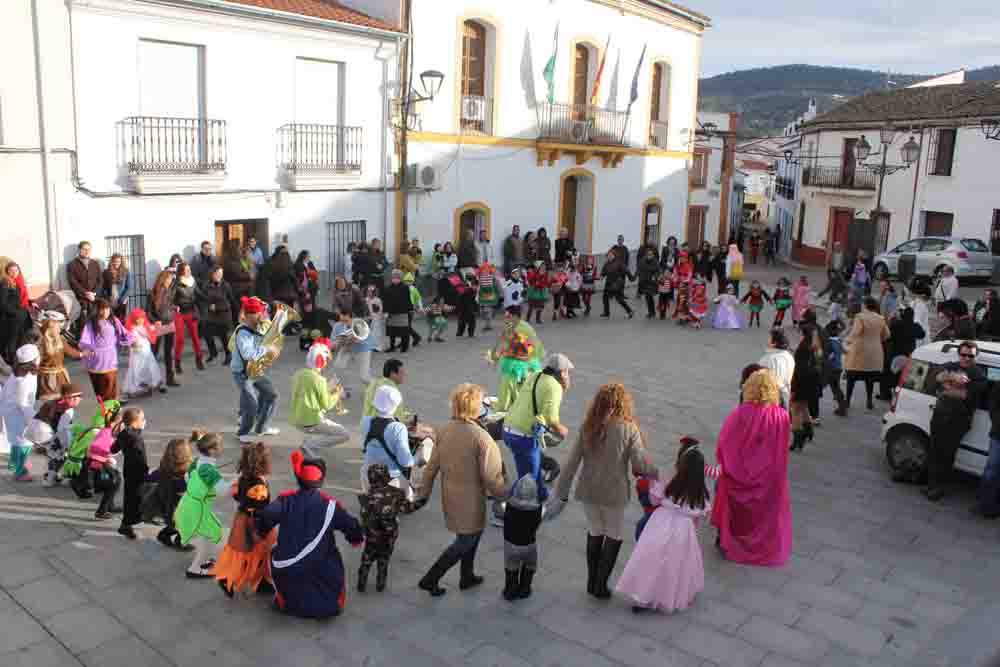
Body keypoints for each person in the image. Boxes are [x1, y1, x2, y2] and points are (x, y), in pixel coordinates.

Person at [552, 382, 657, 599]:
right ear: (624, 404)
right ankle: (601, 585)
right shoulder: (629, 428)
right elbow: (639, 464)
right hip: (614, 493)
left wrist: (561, 492)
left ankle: (591, 582)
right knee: (614, 534)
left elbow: (571, 462)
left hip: (588, 490)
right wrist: (655, 472)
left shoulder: (588, 426)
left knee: (595, 530)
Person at [416, 383, 506, 597]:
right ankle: (431, 579)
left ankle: (467, 575)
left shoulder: (444, 430)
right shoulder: (482, 438)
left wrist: (423, 494)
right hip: (471, 499)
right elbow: (492, 476)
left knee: (470, 535)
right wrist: (505, 496)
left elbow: (431, 467)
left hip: (451, 495)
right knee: (466, 539)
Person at [256, 450, 363, 618]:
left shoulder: (285, 500)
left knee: (278, 555)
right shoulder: (331, 506)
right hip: (322, 573)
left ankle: (286, 601)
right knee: (331, 560)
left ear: (298, 479)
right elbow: (352, 527)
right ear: (321, 480)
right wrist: (356, 539)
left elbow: (265, 517)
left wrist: (262, 532)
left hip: (287, 568)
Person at [616, 439, 711, 614]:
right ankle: (668, 595)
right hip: (684, 530)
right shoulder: (700, 492)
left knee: (651, 560)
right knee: (676, 564)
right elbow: (699, 516)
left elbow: (653, 500)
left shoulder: (668, 479)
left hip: (660, 522)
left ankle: (643, 597)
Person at [712, 369, 792, 566]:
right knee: (763, 515)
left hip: (739, 474)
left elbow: (725, 442)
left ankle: (729, 540)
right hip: (769, 477)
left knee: (733, 508)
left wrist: (727, 464)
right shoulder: (782, 416)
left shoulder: (740, 413)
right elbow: (782, 449)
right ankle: (761, 544)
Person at [502, 353, 572, 503]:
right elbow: (551, 418)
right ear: (562, 372)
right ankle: (504, 505)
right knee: (528, 479)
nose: (568, 375)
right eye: (567, 371)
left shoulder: (535, 375)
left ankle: (542, 496)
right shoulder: (554, 386)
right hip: (523, 436)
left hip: (509, 428)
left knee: (533, 468)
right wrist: (562, 430)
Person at [211, 441, 277, 597]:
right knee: (255, 552)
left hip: (242, 519)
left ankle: (260, 581)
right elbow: (259, 509)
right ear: (263, 463)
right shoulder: (259, 486)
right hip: (254, 524)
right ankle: (231, 579)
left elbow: (237, 495)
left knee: (245, 553)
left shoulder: (244, 477)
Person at [923, 341, 987, 501]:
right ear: (959, 354)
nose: (966, 358)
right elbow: (936, 377)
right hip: (940, 415)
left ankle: (938, 487)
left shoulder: (978, 374)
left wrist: (946, 386)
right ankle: (931, 484)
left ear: (975, 356)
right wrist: (954, 379)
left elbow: (965, 395)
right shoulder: (950, 365)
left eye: (970, 355)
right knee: (934, 450)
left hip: (958, 420)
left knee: (947, 453)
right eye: (963, 354)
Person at [357, 463, 421, 593]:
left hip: (372, 535)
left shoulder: (366, 496)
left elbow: (364, 516)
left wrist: (364, 530)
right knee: (384, 559)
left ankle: (361, 584)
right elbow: (407, 509)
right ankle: (380, 585)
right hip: (389, 534)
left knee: (366, 560)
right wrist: (421, 501)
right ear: (386, 477)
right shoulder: (397, 493)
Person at [175, 430, 228, 578]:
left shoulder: (198, 461)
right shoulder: (209, 470)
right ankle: (195, 568)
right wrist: (236, 483)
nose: (222, 448)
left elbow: (187, 478)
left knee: (210, 532)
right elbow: (223, 491)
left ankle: (203, 560)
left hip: (189, 503)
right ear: (212, 450)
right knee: (210, 534)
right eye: (220, 446)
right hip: (197, 508)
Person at [231, 297, 280, 443]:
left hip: (255, 370)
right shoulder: (242, 332)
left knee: (272, 395)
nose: (261, 316)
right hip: (242, 373)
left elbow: (264, 342)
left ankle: (262, 428)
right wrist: (267, 349)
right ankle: (242, 433)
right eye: (258, 313)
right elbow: (248, 354)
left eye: (261, 313)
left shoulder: (257, 327)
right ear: (249, 315)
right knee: (252, 404)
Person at [290, 338, 349, 457]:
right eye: (325, 359)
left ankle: (310, 443)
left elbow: (309, 391)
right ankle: (310, 445)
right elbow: (327, 405)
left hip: (297, 418)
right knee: (344, 435)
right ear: (320, 360)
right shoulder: (319, 380)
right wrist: (338, 394)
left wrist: (328, 387)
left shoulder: (298, 374)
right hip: (311, 420)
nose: (326, 363)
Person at [360, 384, 413, 491]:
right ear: (395, 405)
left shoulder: (365, 421)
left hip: (368, 476)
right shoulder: (398, 428)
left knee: (370, 498)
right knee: (409, 495)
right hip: (391, 479)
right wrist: (417, 459)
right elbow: (406, 462)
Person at [79, 299, 134, 401]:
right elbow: (85, 341)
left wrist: (131, 339)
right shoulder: (91, 323)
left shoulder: (114, 320)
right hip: (96, 361)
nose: (105, 312)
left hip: (111, 359)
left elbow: (124, 333)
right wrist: (87, 351)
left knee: (112, 387)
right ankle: (105, 408)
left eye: (107, 309)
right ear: (96, 310)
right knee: (101, 391)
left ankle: (113, 406)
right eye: (102, 309)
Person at [843, 297, 890, 413]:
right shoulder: (880, 318)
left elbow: (855, 332)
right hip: (875, 353)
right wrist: (876, 340)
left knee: (851, 377)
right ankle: (869, 401)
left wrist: (847, 341)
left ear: (865, 305)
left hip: (860, 352)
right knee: (870, 379)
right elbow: (887, 335)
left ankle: (847, 400)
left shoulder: (860, 317)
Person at [1, 345, 40, 481]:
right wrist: (33, 420)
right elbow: (23, 404)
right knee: (24, 444)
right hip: (17, 413)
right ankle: (20, 472)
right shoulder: (23, 380)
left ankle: (13, 463)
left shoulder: (19, 373)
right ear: (34, 361)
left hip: (11, 411)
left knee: (15, 440)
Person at [33, 382, 83, 486]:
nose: (79, 400)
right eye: (78, 397)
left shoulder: (54, 402)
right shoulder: (68, 411)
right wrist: (69, 445)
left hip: (39, 434)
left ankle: (50, 478)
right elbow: (62, 431)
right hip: (52, 436)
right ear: (70, 398)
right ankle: (50, 479)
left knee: (53, 457)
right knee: (61, 457)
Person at [502, 475, 542, 601]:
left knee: (511, 567)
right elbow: (552, 511)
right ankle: (525, 589)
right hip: (529, 545)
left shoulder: (508, 506)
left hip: (511, 545)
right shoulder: (538, 509)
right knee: (530, 566)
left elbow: (497, 509)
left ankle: (510, 591)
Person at [111, 407, 147, 539]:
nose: (144, 421)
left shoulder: (124, 433)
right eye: (142, 419)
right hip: (137, 472)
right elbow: (140, 456)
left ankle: (127, 523)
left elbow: (113, 449)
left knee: (130, 496)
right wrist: (146, 472)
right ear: (135, 422)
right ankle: (127, 524)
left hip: (128, 470)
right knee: (135, 498)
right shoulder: (135, 438)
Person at [879, 306, 925, 401]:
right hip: (908, 355)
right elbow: (922, 335)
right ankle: (903, 395)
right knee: (905, 375)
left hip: (895, 353)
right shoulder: (915, 326)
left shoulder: (896, 324)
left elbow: (888, 336)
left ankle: (885, 395)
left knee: (887, 374)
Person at [87, 409, 123, 520]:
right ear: (115, 423)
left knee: (114, 482)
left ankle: (110, 506)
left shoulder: (106, 431)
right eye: (121, 424)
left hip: (99, 465)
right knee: (113, 483)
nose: (122, 427)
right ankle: (101, 511)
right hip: (99, 467)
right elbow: (95, 448)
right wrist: (106, 459)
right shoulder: (107, 434)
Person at [972, 383, 1000, 518]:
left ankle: (993, 504)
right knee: (991, 469)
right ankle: (983, 504)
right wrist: (998, 421)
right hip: (999, 435)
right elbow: (993, 403)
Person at [37, 315, 81, 401]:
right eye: (57, 328)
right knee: (52, 400)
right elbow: (36, 360)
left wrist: (82, 354)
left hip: (56, 376)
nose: (59, 330)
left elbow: (70, 351)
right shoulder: (42, 342)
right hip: (49, 378)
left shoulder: (59, 340)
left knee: (60, 399)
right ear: (50, 330)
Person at [789, 329, 821, 452]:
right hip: (812, 381)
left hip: (801, 381)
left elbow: (799, 369)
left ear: (803, 335)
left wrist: (793, 386)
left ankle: (798, 438)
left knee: (795, 409)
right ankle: (808, 431)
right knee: (803, 406)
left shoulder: (803, 348)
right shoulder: (813, 347)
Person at [147, 270, 179, 387]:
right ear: (163, 279)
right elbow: (148, 312)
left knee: (169, 352)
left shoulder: (169, 291)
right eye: (168, 279)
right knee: (154, 352)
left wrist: (174, 307)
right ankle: (153, 380)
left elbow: (168, 305)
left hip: (169, 322)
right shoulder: (153, 293)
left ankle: (170, 378)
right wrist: (155, 321)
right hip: (158, 325)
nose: (170, 281)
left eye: (171, 279)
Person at [123, 308, 164, 397]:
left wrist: (155, 327)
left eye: (142, 318)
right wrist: (133, 344)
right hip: (137, 352)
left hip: (146, 351)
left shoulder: (145, 325)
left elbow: (151, 331)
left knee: (150, 366)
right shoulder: (131, 328)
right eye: (138, 319)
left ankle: (153, 382)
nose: (141, 320)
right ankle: (136, 388)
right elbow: (129, 339)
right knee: (137, 368)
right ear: (134, 319)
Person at [332, 310, 375, 392]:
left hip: (362, 350)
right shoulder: (337, 326)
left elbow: (370, 341)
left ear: (351, 318)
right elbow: (333, 342)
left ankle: (376, 387)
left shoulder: (359, 324)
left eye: (346, 321)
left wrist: (358, 340)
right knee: (338, 366)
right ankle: (341, 388)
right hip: (346, 348)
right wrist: (338, 343)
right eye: (342, 321)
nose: (344, 323)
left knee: (364, 377)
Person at [172, 262, 205, 372]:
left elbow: (199, 294)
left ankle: (199, 360)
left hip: (191, 311)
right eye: (186, 270)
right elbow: (170, 298)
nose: (189, 271)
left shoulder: (192, 281)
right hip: (180, 313)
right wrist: (174, 306)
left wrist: (209, 298)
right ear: (181, 271)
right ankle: (177, 362)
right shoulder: (176, 283)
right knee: (180, 339)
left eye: (189, 269)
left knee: (195, 337)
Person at [66, 241, 102, 338]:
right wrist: (85, 293)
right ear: (79, 250)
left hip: (94, 299)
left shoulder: (95, 263)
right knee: (83, 325)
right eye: (84, 249)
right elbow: (73, 282)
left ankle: (95, 342)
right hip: (80, 300)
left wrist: (94, 293)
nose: (87, 251)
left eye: (89, 249)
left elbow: (100, 280)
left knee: (96, 323)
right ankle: (82, 344)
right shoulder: (72, 264)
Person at [0, 261, 32, 367]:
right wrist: (16, 313)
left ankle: (20, 361)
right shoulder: (5, 283)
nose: (14, 273)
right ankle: (12, 363)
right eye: (11, 271)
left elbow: (20, 299)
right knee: (12, 342)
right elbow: (2, 304)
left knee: (21, 340)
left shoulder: (18, 282)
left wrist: (31, 303)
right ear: (7, 272)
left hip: (21, 316)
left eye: (16, 270)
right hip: (11, 319)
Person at [201, 266, 233, 365]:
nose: (219, 276)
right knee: (206, 333)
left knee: (224, 336)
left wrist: (217, 307)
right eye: (217, 274)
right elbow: (203, 299)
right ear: (212, 274)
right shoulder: (206, 285)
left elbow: (230, 301)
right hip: (211, 315)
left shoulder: (225, 286)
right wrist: (208, 306)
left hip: (224, 314)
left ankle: (229, 355)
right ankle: (213, 352)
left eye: (221, 274)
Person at [758, 328, 795, 407]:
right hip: (786, 394)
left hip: (772, 398)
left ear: (774, 343)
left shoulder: (768, 359)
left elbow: (761, 380)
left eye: (769, 338)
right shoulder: (789, 356)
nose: (767, 340)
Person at [223, 240, 253, 324]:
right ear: (235, 250)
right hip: (237, 290)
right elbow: (238, 275)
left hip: (242, 289)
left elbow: (246, 269)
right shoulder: (230, 262)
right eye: (239, 248)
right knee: (238, 311)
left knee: (241, 311)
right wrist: (249, 276)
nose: (241, 250)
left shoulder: (238, 260)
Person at [383, 270, 413, 353]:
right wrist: (385, 311)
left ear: (400, 278)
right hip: (391, 313)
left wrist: (410, 309)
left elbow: (407, 299)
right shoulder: (388, 288)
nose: (395, 279)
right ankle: (392, 347)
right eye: (394, 278)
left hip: (402, 312)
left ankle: (404, 347)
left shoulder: (405, 287)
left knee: (403, 331)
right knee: (392, 332)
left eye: (397, 278)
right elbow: (386, 301)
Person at [600, 249, 634, 319]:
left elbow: (626, 270)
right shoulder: (607, 264)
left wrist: (630, 277)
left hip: (617, 283)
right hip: (608, 283)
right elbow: (604, 272)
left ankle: (630, 311)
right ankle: (606, 313)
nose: (609, 256)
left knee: (619, 299)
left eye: (611, 255)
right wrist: (602, 276)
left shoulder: (619, 263)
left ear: (614, 255)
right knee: (605, 297)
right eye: (608, 255)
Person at [101, 253, 132, 321]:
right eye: (114, 261)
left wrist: (123, 299)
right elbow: (103, 287)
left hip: (121, 300)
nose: (116, 263)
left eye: (118, 261)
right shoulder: (106, 272)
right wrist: (107, 298)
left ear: (121, 262)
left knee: (121, 319)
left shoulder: (126, 272)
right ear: (111, 261)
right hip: (110, 300)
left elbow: (128, 287)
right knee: (110, 319)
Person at [636, 248, 660, 319]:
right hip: (645, 282)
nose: (650, 256)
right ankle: (651, 312)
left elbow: (658, 271)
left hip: (652, 282)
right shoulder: (642, 261)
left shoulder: (655, 262)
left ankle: (652, 313)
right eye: (648, 254)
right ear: (646, 255)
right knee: (647, 297)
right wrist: (638, 276)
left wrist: (655, 276)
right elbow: (639, 269)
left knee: (649, 296)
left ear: (653, 255)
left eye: (651, 254)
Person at [477, 262, 501, 331]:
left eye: (486, 269)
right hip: (482, 297)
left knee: (487, 310)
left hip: (490, 297)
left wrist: (500, 294)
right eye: (484, 269)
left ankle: (488, 325)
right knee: (483, 312)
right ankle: (489, 320)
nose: (485, 271)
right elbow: (478, 287)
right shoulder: (480, 279)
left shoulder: (494, 279)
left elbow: (498, 287)